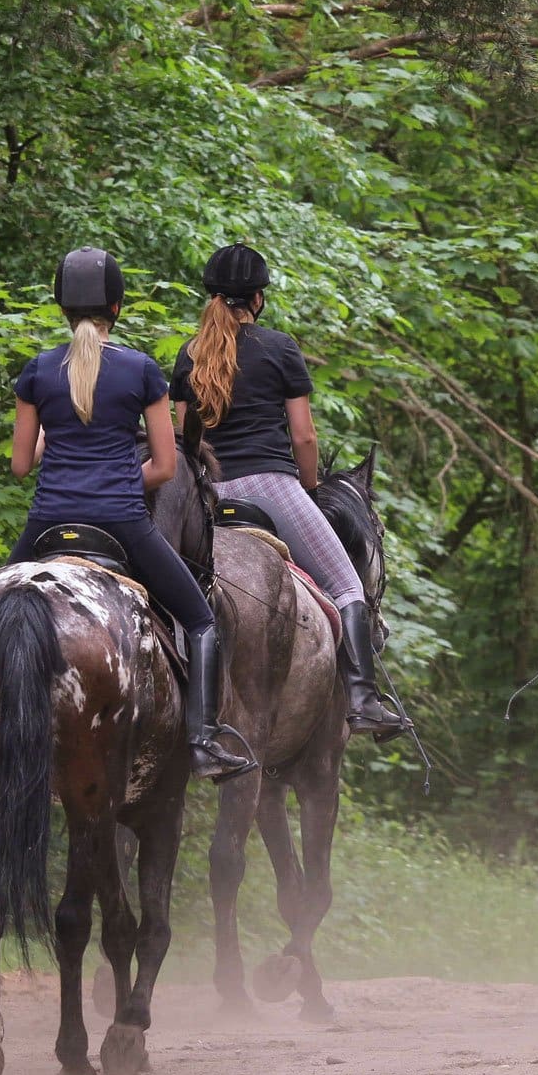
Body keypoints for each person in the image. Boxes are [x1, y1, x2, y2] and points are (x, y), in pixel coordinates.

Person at [8, 246, 256, 779]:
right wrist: (117, 479)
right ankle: (204, 741)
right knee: (201, 620)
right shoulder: (141, 370)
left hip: (46, 522)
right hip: (121, 522)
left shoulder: (36, 372)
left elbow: (21, 466)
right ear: (116, 308)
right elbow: (166, 468)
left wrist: (60, 439)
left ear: (61, 308)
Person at [169, 243, 411, 740]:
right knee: (346, 586)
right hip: (270, 485)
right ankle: (364, 701)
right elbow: (304, 436)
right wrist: (307, 487)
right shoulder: (279, 347)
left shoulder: (189, 354)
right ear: (257, 298)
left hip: (209, 495)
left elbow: (186, 442)